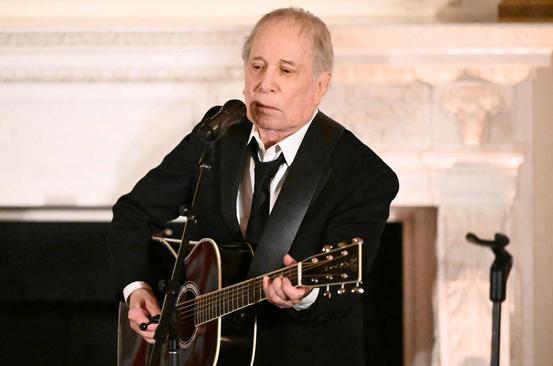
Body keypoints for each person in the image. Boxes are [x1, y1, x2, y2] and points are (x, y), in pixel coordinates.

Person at [108, 7, 399, 366]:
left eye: (286, 70)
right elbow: (132, 213)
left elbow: (341, 297)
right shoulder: (218, 134)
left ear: (320, 85)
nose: (265, 83)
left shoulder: (364, 175)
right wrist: (138, 290)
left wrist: (304, 295)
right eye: (257, 66)